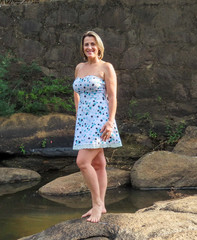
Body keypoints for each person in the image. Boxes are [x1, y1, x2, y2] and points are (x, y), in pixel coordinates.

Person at [72, 31, 122, 223]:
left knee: (82, 162)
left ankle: (96, 205)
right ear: (82, 48)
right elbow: (76, 92)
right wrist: (78, 115)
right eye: (86, 44)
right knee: (98, 164)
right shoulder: (79, 67)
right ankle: (102, 205)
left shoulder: (106, 67)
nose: (89, 47)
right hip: (84, 122)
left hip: (100, 121)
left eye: (93, 44)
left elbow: (112, 96)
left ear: (99, 46)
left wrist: (110, 122)